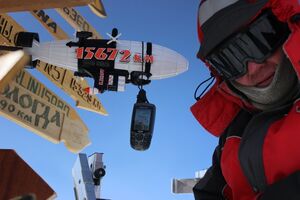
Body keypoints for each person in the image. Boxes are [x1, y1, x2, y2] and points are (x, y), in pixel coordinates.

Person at [191, 0, 300, 199]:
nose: (253, 68)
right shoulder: (233, 135)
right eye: (230, 61)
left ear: (287, 25)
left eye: (260, 41)